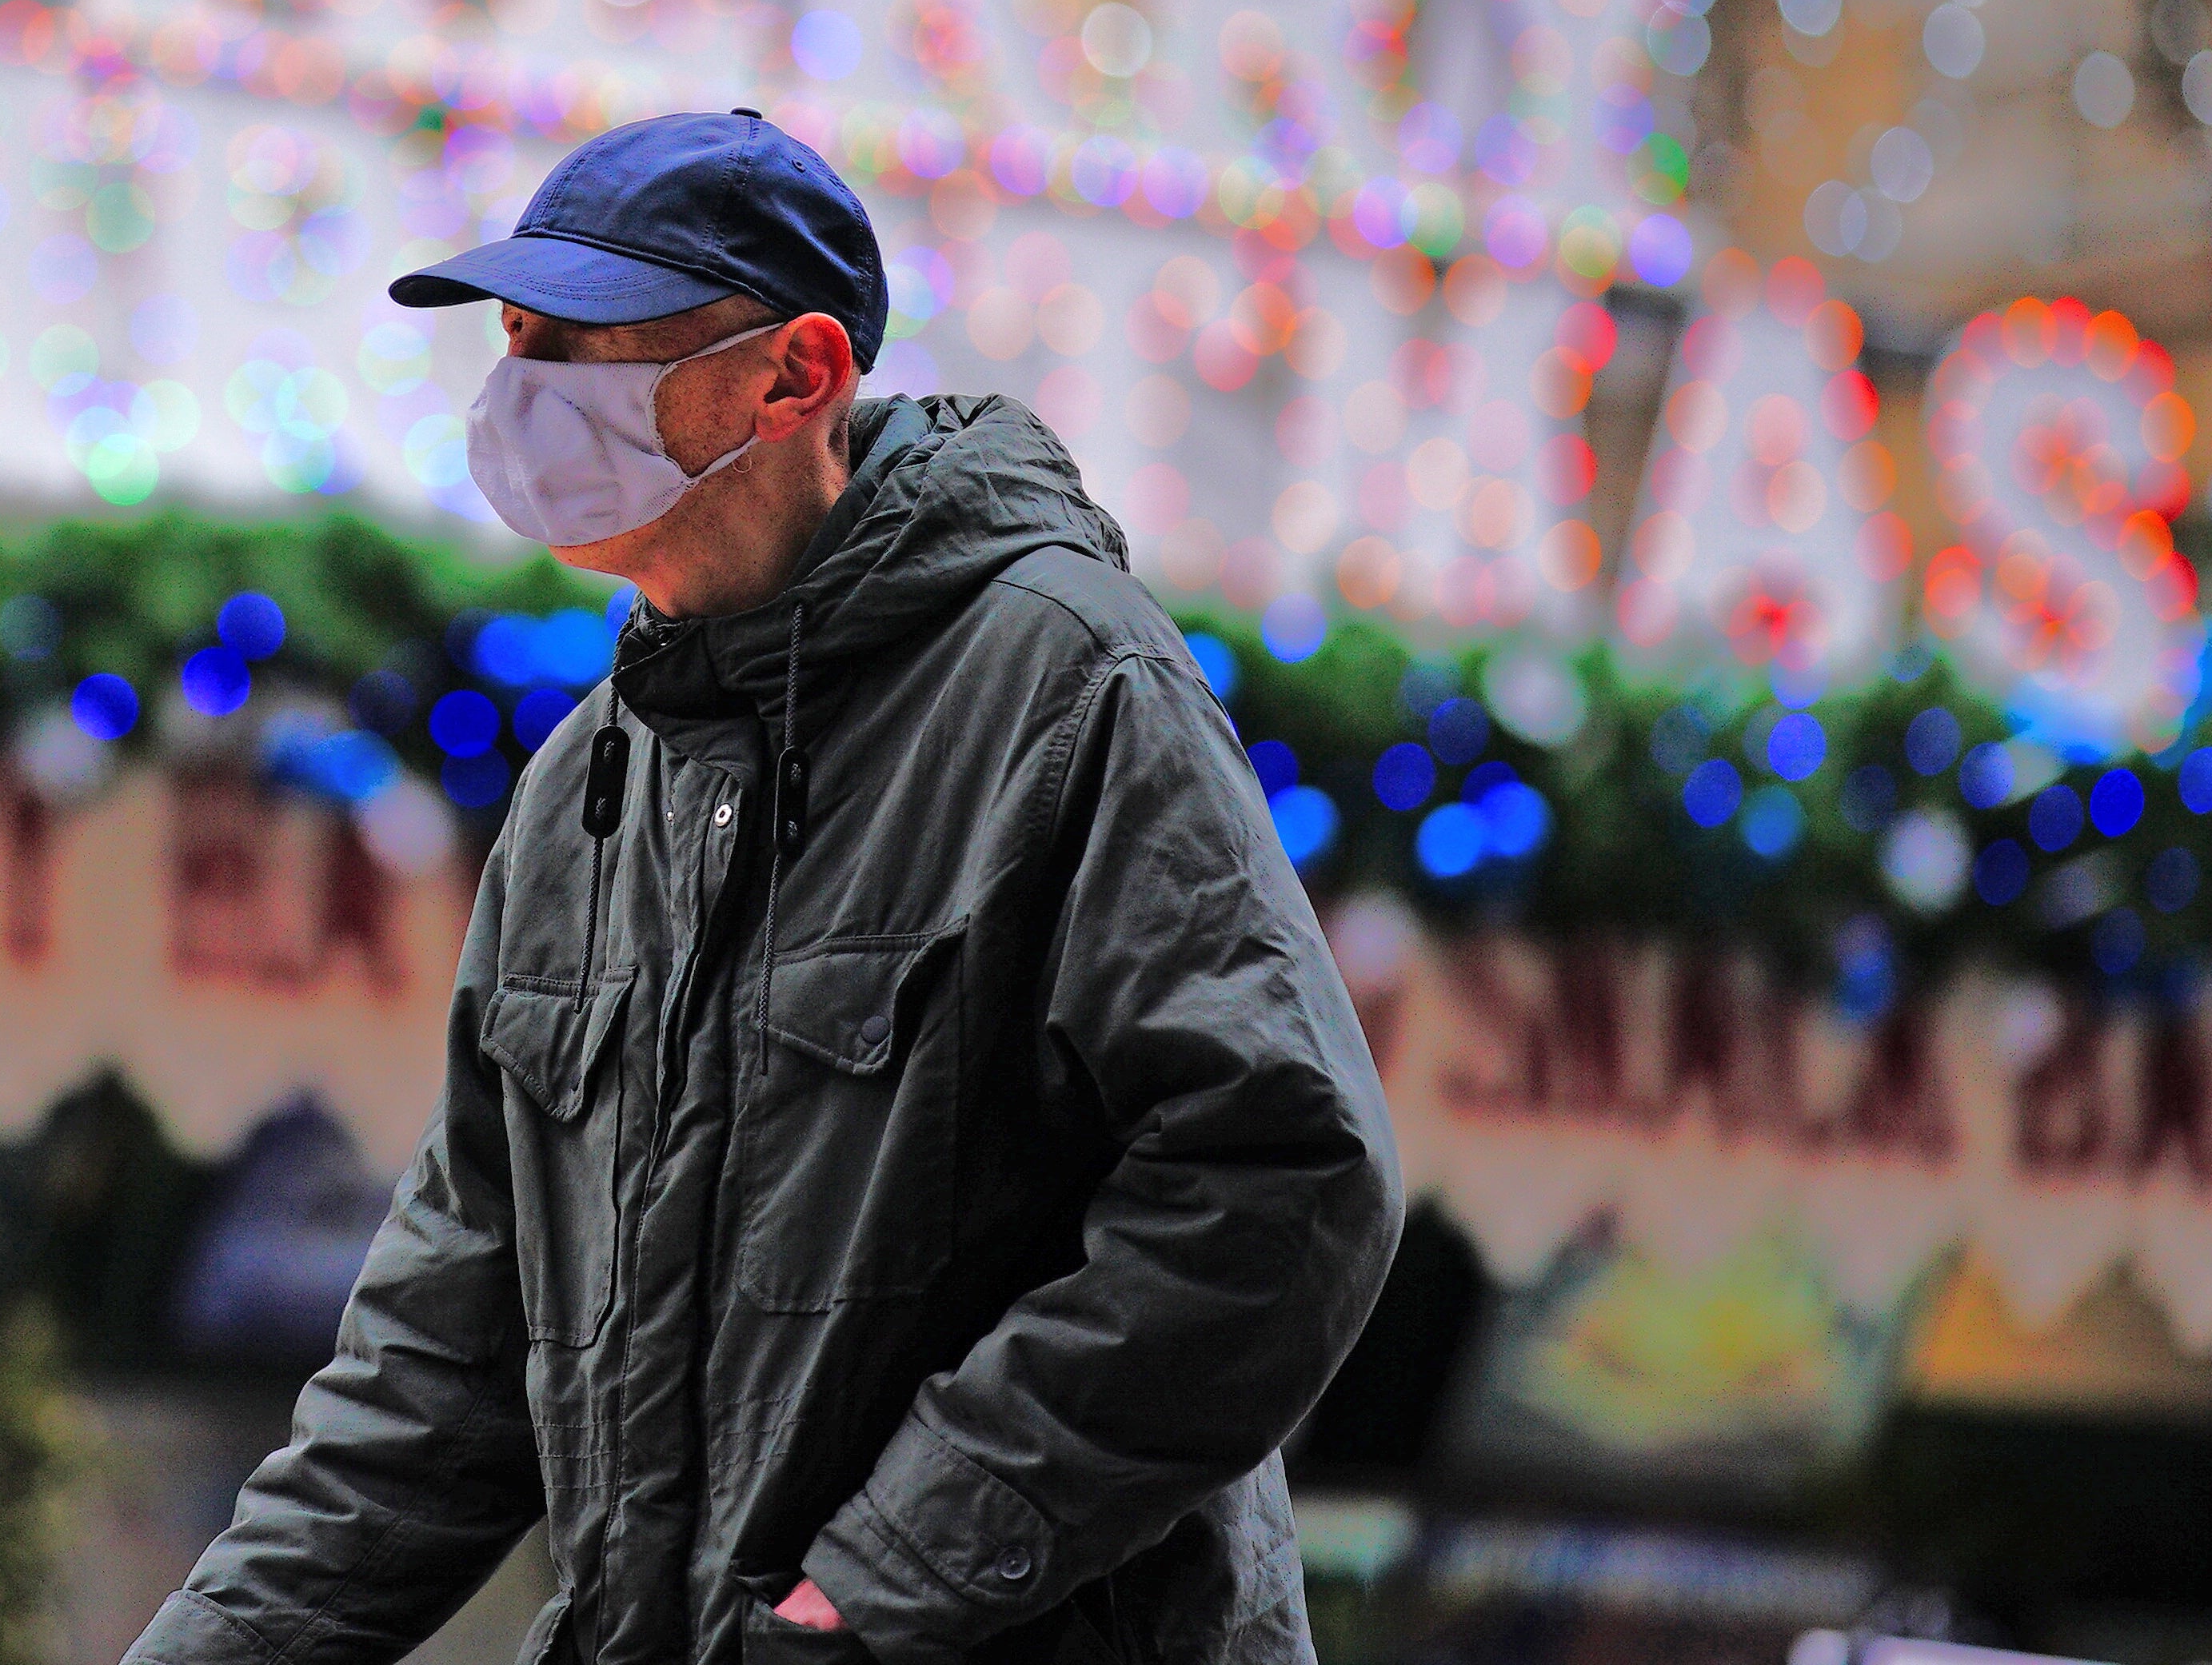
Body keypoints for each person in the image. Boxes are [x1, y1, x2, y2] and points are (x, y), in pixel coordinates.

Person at [126, 110, 1402, 1665]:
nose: (521, 391)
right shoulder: (584, 785)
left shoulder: (1058, 678)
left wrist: (878, 1583)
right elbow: (441, 1362)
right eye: (511, 338)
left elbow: (1278, 1176)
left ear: (795, 372)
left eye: (579, 346)